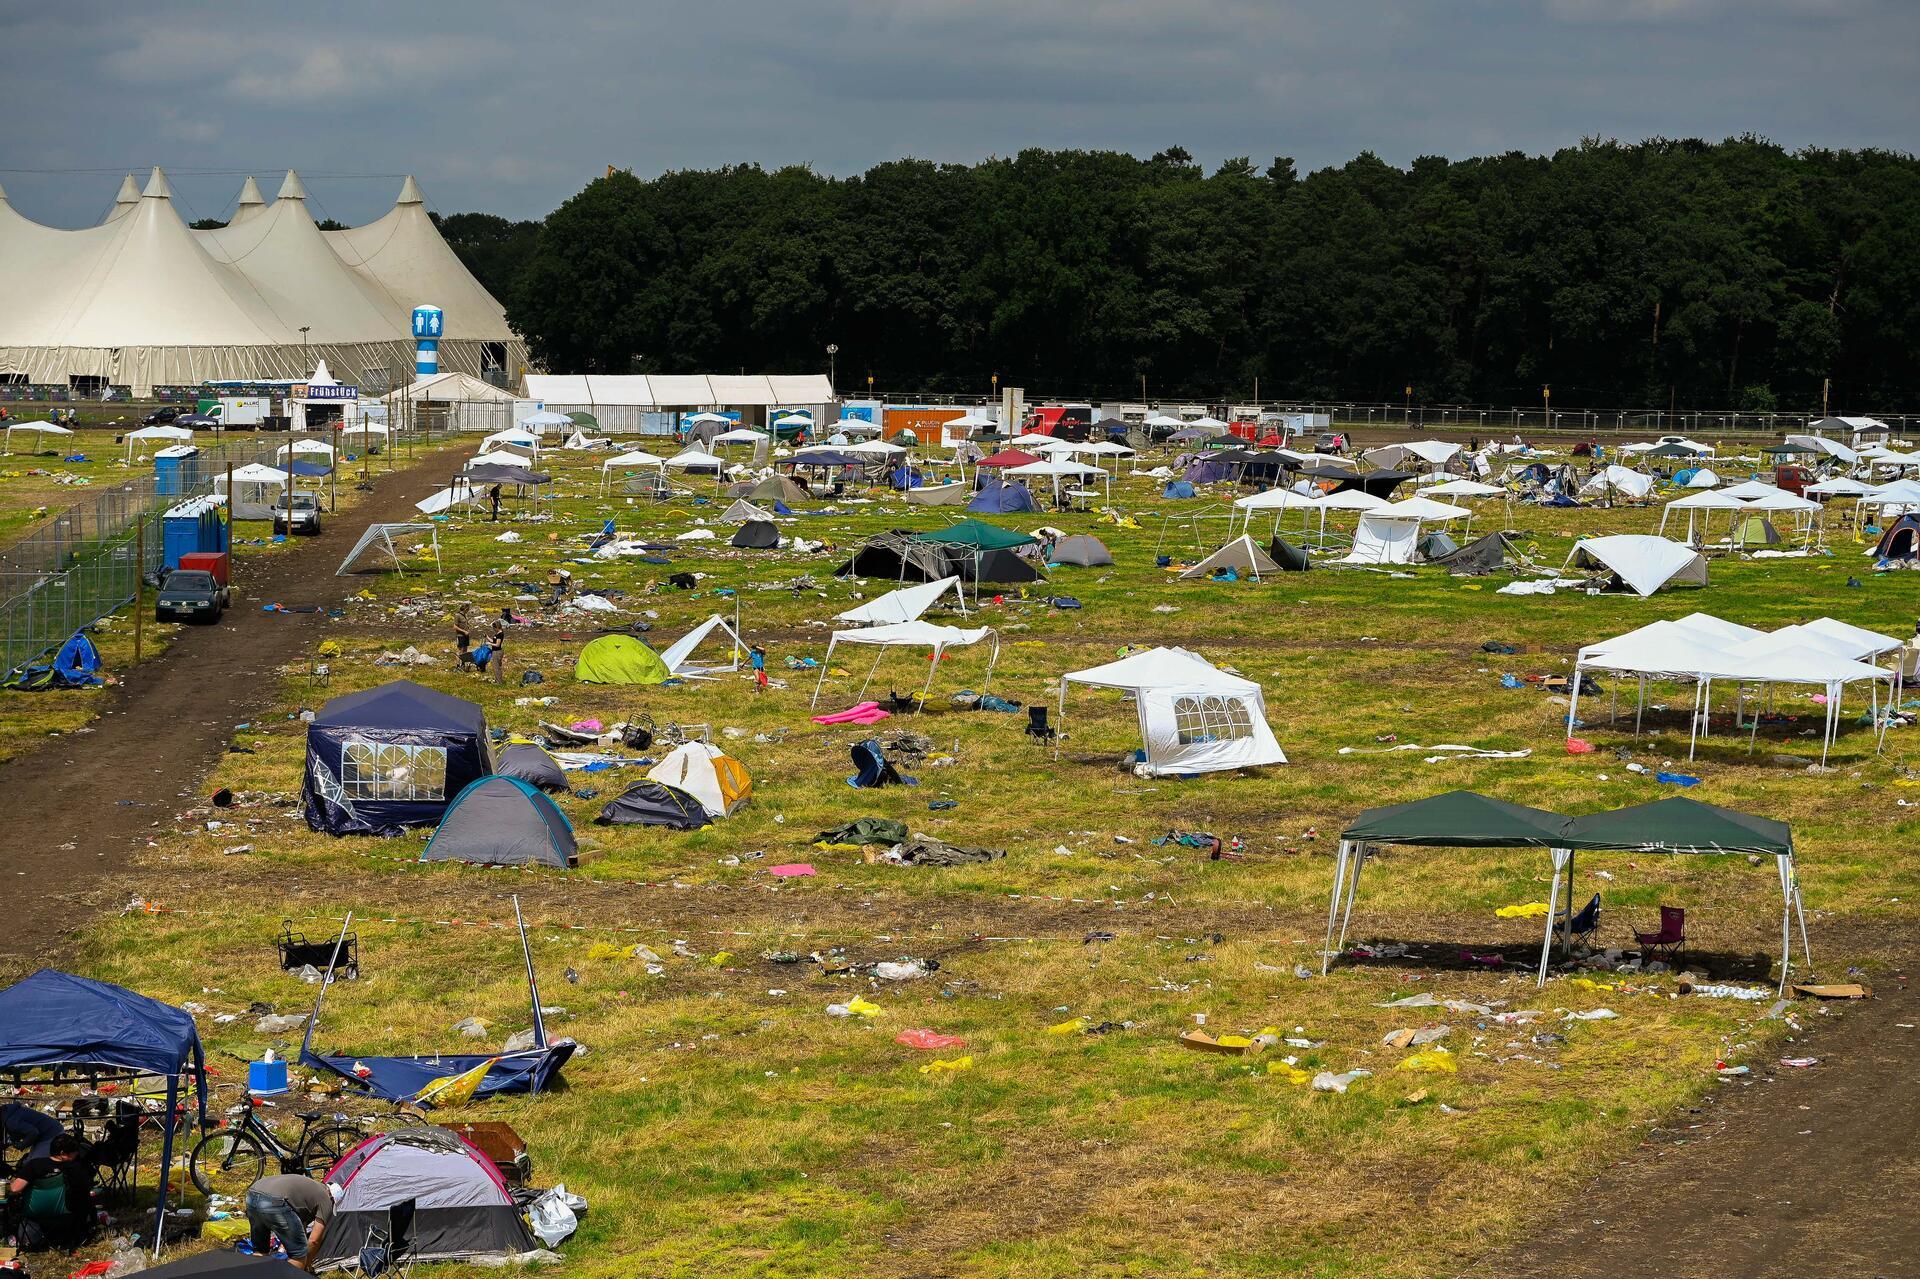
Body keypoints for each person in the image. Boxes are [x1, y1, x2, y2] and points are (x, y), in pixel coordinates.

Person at [6, 1133, 94, 1250]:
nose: (77, 1154)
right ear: (62, 1153)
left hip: (34, 1211)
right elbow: (85, 1190)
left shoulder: (35, 1165)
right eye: (74, 1151)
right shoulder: (76, 1168)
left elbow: (15, 1189)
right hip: (66, 1215)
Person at [244, 1172, 335, 1273]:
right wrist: (306, 1264)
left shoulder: (311, 1188)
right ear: (332, 1198)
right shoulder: (326, 1199)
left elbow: (300, 1226)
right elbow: (314, 1240)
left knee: (260, 1250)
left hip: (252, 1193)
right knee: (298, 1255)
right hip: (275, 1200)